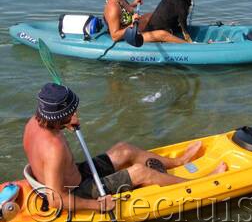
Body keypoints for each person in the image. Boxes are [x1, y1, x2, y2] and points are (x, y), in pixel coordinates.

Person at [23, 83, 227, 212]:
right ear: (57, 116)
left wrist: (66, 122)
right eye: (71, 112)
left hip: (75, 174)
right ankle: (198, 183)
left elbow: (49, 153)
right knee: (139, 172)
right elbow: (56, 200)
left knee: (124, 149)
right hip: (77, 191)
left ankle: (178, 161)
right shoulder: (53, 147)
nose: (76, 115)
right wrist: (97, 205)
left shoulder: (34, 122)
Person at [103, 0, 188, 45]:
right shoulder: (113, 8)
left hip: (130, 26)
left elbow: (124, 11)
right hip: (128, 34)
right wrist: (132, 25)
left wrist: (134, 4)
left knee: (153, 15)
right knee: (162, 34)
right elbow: (114, 36)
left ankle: (173, 29)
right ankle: (189, 46)